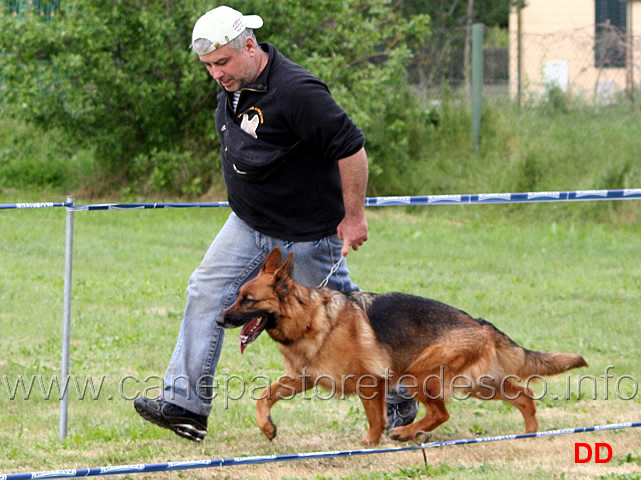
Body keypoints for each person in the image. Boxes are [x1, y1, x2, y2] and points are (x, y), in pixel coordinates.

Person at [134, 5, 416, 442]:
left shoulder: (297, 90)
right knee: (206, 289)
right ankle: (185, 406)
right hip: (248, 225)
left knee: (348, 323)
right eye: (208, 66)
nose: (216, 73)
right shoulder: (234, 83)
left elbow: (351, 147)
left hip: (306, 238)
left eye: (222, 62)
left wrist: (354, 216)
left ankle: (399, 396)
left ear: (250, 45)